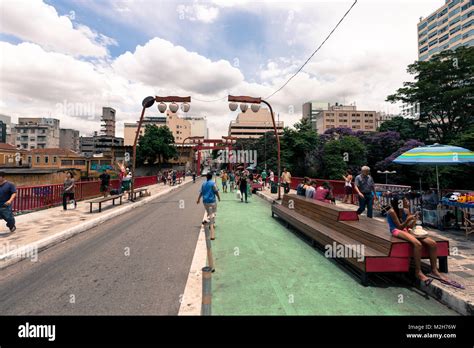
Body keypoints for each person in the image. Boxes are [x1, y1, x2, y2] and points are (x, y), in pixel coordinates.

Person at [386, 196, 450, 286]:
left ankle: (434, 270)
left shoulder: (406, 211)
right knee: (417, 244)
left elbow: (410, 226)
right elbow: (399, 227)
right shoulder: (392, 212)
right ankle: (418, 271)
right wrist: (408, 220)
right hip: (396, 230)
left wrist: (414, 219)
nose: (407, 202)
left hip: (405, 229)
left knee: (432, 243)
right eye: (405, 201)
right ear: (399, 203)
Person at [197, 173, 221, 240]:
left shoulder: (203, 184)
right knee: (213, 213)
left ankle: (210, 222)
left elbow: (201, 193)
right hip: (212, 201)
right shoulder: (213, 183)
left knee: (209, 213)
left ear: (206, 177)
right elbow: (216, 191)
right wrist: (219, 198)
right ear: (211, 177)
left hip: (205, 201)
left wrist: (198, 199)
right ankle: (211, 224)